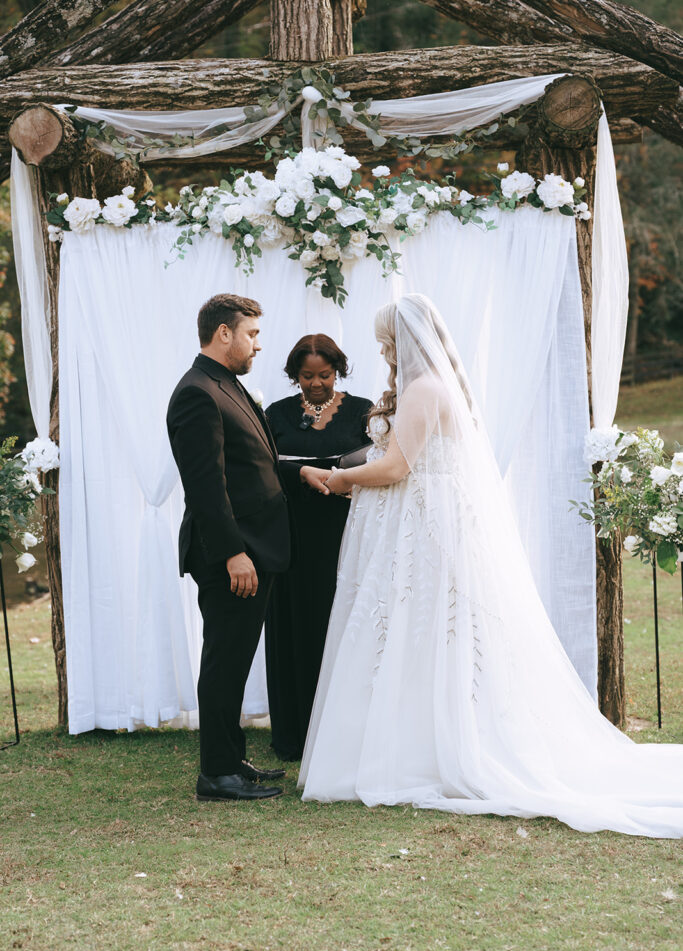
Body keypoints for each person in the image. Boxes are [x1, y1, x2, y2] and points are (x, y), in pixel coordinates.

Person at [298, 294, 683, 838]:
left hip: (424, 529)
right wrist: (344, 465)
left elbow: (398, 466)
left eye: (387, 339)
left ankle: (427, 750)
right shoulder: (424, 388)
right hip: (414, 524)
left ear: (404, 340)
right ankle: (411, 740)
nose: (383, 348)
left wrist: (336, 480)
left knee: (430, 626)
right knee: (415, 630)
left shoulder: (425, 389)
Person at [166, 294, 328, 802]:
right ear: (224, 334)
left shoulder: (224, 385)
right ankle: (216, 775)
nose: (258, 345)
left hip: (256, 547)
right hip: (234, 554)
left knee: (234, 662)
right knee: (224, 661)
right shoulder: (196, 393)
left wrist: (299, 471)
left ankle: (231, 760)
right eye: (252, 334)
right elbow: (205, 486)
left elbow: (254, 462)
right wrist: (233, 553)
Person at [265, 334, 372, 760]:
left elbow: (383, 460)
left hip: (346, 534)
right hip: (292, 537)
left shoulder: (363, 412)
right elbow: (262, 466)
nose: (315, 384)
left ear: (337, 371)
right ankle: (293, 732)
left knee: (341, 624)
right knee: (295, 626)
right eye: (306, 376)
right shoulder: (275, 414)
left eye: (324, 375)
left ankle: (341, 732)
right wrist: (299, 473)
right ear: (294, 375)